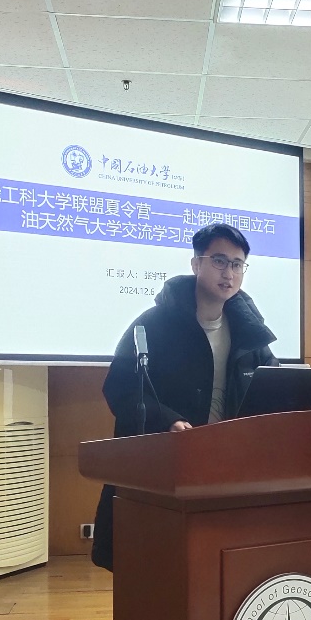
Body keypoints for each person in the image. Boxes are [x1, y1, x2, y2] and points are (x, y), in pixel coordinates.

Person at [90, 222, 278, 570]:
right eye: (219, 261)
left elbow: (274, 388)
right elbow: (121, 388)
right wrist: (168, 420)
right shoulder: (153, 324)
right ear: (196, 264)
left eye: (237, 264)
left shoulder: (250, 333)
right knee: (158, 568)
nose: (229, 273)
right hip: (167, 468)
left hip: (229, 469)